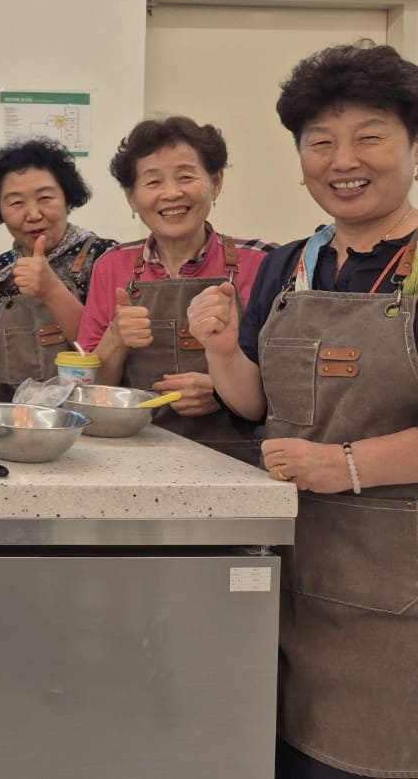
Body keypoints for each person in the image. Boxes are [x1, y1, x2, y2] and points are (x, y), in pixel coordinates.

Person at [186, 43, 418, 779]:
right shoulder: (290, 265)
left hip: (395, 590)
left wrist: (347, 465)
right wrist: (222, 349)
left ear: (413, 148)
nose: (343, 160)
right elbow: (256, 401)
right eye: (320, 142)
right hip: (286, 571)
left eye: (369, 136)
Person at [78, 116, 273, 461]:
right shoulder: (111, 265)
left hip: (239, 462)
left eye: (186, 177)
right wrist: (116, 338)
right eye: (153, 181)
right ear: (131, 197)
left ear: (215, 182)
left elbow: (289, 383)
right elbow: (88, 389)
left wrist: (221, 391)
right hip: (132, 457)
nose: (171, 193)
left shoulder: (262, 261)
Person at [0, 139, 115, 384]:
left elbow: (109, 353)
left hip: (83, 405)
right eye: (16, 203)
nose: (33, 214)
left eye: (45, 198)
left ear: (68, 198)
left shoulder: (105, 257)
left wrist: (51, 289)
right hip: (11, 406)